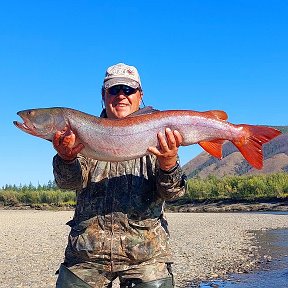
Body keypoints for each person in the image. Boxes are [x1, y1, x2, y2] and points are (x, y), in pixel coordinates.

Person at [53, 63, 187, 288]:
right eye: (114, 90)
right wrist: (66, 158)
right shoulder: (80, 134)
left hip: (146, 256)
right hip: (86, 255)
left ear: (140, 95)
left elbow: (172, 193)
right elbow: (68, 183)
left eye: (129, 89)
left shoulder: (159, 136)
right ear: (103, 95)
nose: (121, 95)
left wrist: (168, 164)